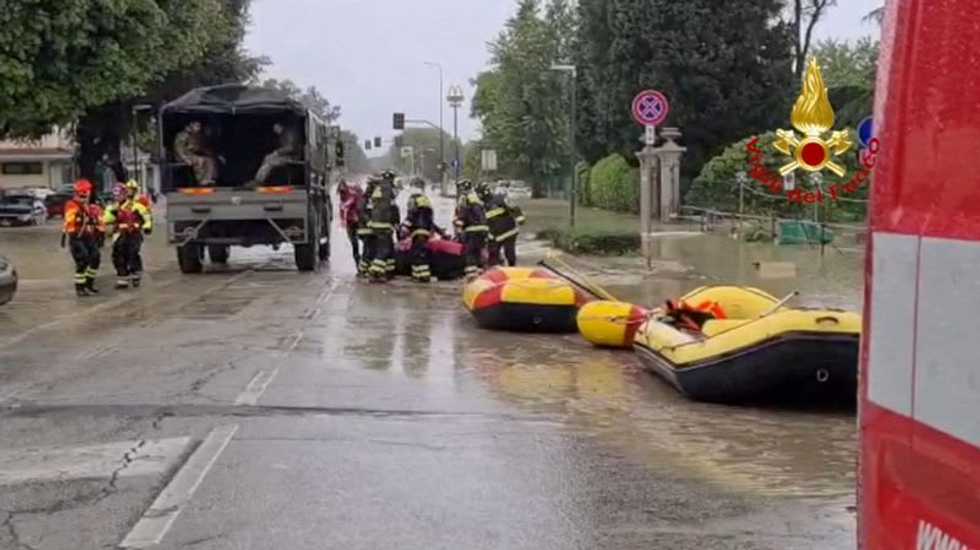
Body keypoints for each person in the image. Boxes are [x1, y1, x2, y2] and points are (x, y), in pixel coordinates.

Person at [102, 182, 153, 288]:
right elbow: (106, 219)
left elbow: (146, 216)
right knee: (118, 255)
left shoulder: (136, 206)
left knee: (133, 254)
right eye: (116, 196)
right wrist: (109, 216)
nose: (117, 198)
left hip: (134, 234)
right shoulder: (113, 208)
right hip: (120, 235)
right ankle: (122, 279)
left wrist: (147, 226)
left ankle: (136, 275)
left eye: (120, 195)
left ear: (125, 194)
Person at [61, 180, 103, 297]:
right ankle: (80, 287)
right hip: (76, 237)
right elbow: (70, 220)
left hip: (88, 235)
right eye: (82, 194)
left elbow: (98, 221)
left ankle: (89, 283)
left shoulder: (89, 206)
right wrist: (79, 217)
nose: (85, 197)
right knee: (82, 260)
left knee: (96, 257)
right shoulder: (71, 205)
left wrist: (97, 222)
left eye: (86, 194)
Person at [401, 178, 446, 283]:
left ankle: (422, 276)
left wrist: (404, 227)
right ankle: (419, 275)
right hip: (425, 231)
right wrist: (439, 231)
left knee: (417, 254)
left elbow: (411, 215)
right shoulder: (425, 200)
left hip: (417, 230)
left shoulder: (414, 198)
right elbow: (429, 219)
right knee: (421, 253)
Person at [478, 181, 520, 267]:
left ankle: (510, 269)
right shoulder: (483, 205)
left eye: (479, 194)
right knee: (496, 253)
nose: (478, 196)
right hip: (499, 234)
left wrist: (520, 219)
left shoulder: (497, 200)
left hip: (507, 232)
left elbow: (514, 208)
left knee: (507, 252)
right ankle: (499, 270)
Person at [455, 179, 489, 279]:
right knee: (478, 252)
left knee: (470, 252)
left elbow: (463, 213)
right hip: (483, 229)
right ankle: (480, 275)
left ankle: (471, 276)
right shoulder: (476, 197)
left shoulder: (465, 198)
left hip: (472, 229)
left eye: (460, 188)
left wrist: (459, 225)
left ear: (463, 188)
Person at [366, 172, 397, 282]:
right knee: (384, 249)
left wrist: (370, 221)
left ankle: (388, 272)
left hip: (375, 223)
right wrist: (396, 222)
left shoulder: (378, 188)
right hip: (385, 223)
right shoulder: (390, 190)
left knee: (388, 248)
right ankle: (375, 273)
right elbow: (393, 208)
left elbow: (370, 207)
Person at [173, 121, 218, 186]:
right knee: (199, 160)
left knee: (209, 160)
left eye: (199, 126)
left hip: (190, 155)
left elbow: (195, 147)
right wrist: (185, 158)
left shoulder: (193, 135)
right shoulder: (183, 135)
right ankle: (201, 180)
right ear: (191, 124)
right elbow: (178, 148)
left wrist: (206, 152)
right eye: (197, 126)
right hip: (181, 156)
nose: (198, 128)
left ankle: (206, 179)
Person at [338, 179, 365, 273]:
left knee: (364, 241)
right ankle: (358, 264)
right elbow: (342, 208)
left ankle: (364, 262)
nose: (341, 194)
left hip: (358, 221)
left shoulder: (352, 194)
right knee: (354, 243)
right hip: (351, 222)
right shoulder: (344, 196)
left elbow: (347, 205)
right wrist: (343, 221)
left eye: (343, 191)